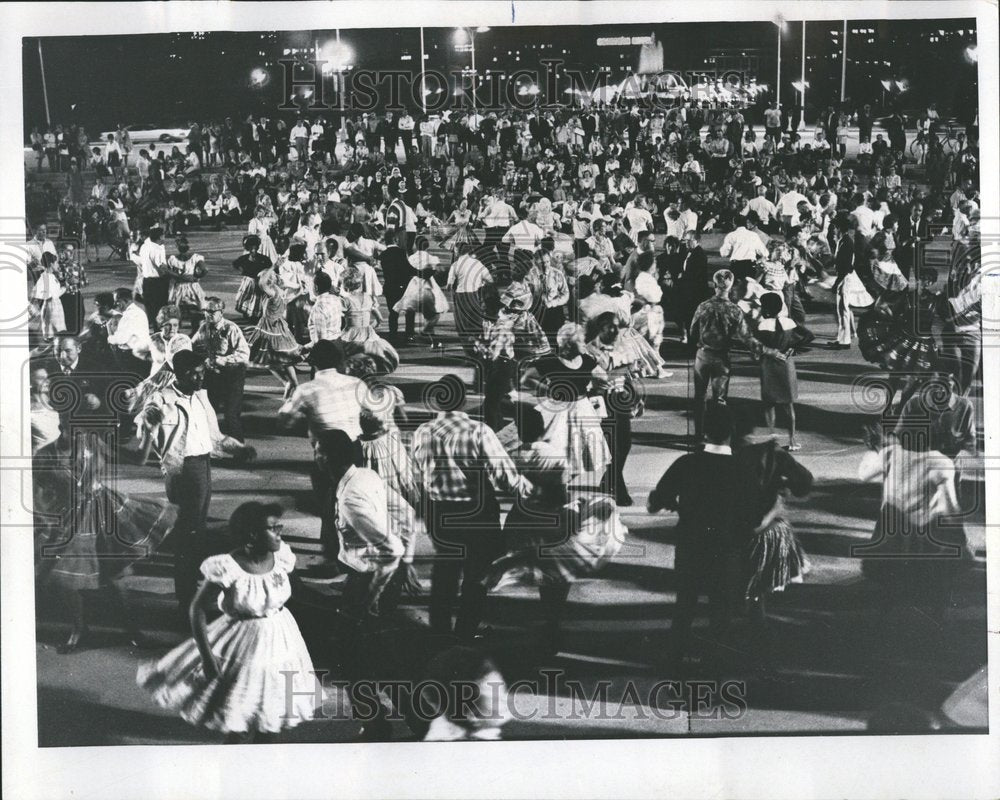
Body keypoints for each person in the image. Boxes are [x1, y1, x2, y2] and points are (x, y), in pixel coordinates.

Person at [137, 502, 323, 743]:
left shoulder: (283, 557)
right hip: (243, 643)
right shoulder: (227, 567)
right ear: (253, 534)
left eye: (280, 526)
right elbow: (197, 609)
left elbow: (297, 591)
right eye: (273, 528)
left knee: (272, 714)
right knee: (239, 718)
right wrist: (207, 657)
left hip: (281, 639)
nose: (280, 532)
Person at [32, 363, 175, 654]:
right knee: (68, 580)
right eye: (72, 427)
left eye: (81, 426)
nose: (79, 431)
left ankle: (132, 630)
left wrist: (149, 432)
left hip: (103, 511)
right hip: (68, 518)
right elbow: (35, 490)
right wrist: (46, 519)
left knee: (118, 575)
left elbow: (137, 460)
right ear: (62, 425)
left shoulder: (93, 442)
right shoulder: (45, 455)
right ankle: (78, 630)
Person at [484, 411, 627, 652]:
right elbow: (561, 495)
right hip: (552, 520)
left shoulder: (513, 455)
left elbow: (505, 483)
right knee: (556, 574)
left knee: (530, 565)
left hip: (522, 519)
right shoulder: (554, 455)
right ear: (543, 428)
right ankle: (552, 625)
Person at [411, 374, 532, 639]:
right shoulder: (479, 431)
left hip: (439, 511)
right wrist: (528, 492)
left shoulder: (422, 432)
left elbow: (416, 473)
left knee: (445, 570)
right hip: (477, 510)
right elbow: (503, 473)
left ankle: (439, 631)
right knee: (476, 573)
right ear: (463, 401)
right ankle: (465, 631)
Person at [138, 350, 255, 618]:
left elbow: (215, 436)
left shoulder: (202, 397)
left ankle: (194, 590)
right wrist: (150, 420)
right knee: (187, 533)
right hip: (182, 470)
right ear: (178, 373)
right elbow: (147, 419)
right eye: (193, 372)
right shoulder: (162, 399)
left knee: (196, 531)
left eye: (202, 371)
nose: (200, 376)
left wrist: (238, 449)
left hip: (203, 466)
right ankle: (186, 596)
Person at [647, 402, 748, 666]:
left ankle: (675, 659)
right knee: (721, 610)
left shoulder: (686, 463)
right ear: (732, 431)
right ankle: (712, 667)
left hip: (691, 543)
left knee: (685, 604)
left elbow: (654, 502)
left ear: (704, 431)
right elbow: (751, 517)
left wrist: (674, 503)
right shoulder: (742, 469)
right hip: (726, 547)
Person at [278, 340, 365, 565]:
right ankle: (353, 555)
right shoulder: (356, 383)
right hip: (354, 448)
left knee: (328, 506)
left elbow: (285, 420)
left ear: (313, 364)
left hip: (326, 452)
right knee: (353, 500)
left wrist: (291, 397)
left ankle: (332, 559)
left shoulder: (307, 389)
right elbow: (373, 415)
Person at [733, 423, 814, 649]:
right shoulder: (772, 454)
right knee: (756, 587)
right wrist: (782, 485)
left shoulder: (720, 457)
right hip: (770, 532)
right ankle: (758, 628)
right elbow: (804, 483)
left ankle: (754, 626)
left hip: (734, 531)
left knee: (747, 585)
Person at [316, 429, 410, 618]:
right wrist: (406, 563)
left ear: (325, 458)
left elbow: (393, 549)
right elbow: (407, 513)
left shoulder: (350, 500)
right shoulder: (367, 475)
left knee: (356, 633)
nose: (315, 457)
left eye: (317, 452)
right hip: (380, 573)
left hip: (370, 578)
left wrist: (371, 598)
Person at [688, 269, 764, 438]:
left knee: (699, 397)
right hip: (722, 357)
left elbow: (693, 331)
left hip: (703, 355)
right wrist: (760, 350)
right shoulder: (735, 310)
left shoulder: (703, 306)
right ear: (730, 287)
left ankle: (698, 433)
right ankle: (718, 433)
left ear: (715, 285)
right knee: (720, 399)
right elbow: (746, 336)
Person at [753, 292, 815, 451]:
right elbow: (809, 336)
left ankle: (772, 439)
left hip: (768, 364)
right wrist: (792, 349)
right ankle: (792, 439)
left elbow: (755, 347)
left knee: (769, 404)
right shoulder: (789, 322)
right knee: (789, 405)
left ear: (765, 308)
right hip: (787, 363)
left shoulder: (761, 325)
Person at [192, 296, 250, 442]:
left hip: (233, 374)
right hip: (213, 375)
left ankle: (240, 451)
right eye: (206, 311)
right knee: (208, 411)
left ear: (221, 312)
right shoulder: (203, 327)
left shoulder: (231, 328)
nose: (207, 314)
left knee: (231, 415)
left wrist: (221, 360)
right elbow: (192, 345)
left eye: (211, 311)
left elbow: (244, 354)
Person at [246, 260, 302, 399]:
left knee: (281, 358)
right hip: (274, 326)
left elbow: (262, 283)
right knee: (272, 359)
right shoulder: (280, 291)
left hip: (271, 328)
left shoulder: (272, 291)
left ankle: (293, 383)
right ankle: (288, 383)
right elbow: (288, 299)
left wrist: (273, 266)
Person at [130, 304, 193, 415]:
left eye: (175, 325)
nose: (172, 328)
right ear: (161, 325)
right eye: (168, 325)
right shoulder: (153, 339)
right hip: (154, 384)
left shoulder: (184, 340)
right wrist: (150, 358)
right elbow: (136, 351)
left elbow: (187, 363)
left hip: (175, 384)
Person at [340, 267, 400, 373]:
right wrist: (368, 328)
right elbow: (380, 319)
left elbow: (337, 319)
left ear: (345, 284)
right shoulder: (369, 298)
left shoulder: (345, 301)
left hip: (350, 334)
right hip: (369, 334)